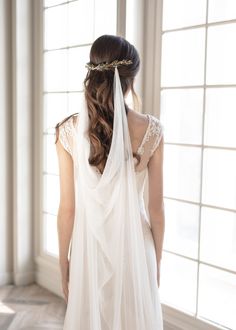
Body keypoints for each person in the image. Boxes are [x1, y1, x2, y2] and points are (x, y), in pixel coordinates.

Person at [55, 34, 165, 330]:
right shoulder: (152, 130)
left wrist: (64, 262)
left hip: (89, 251)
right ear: (130, 81)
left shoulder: (68, 131)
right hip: (135, 250)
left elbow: (68, 209)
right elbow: (155, 209)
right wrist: (155, 263)